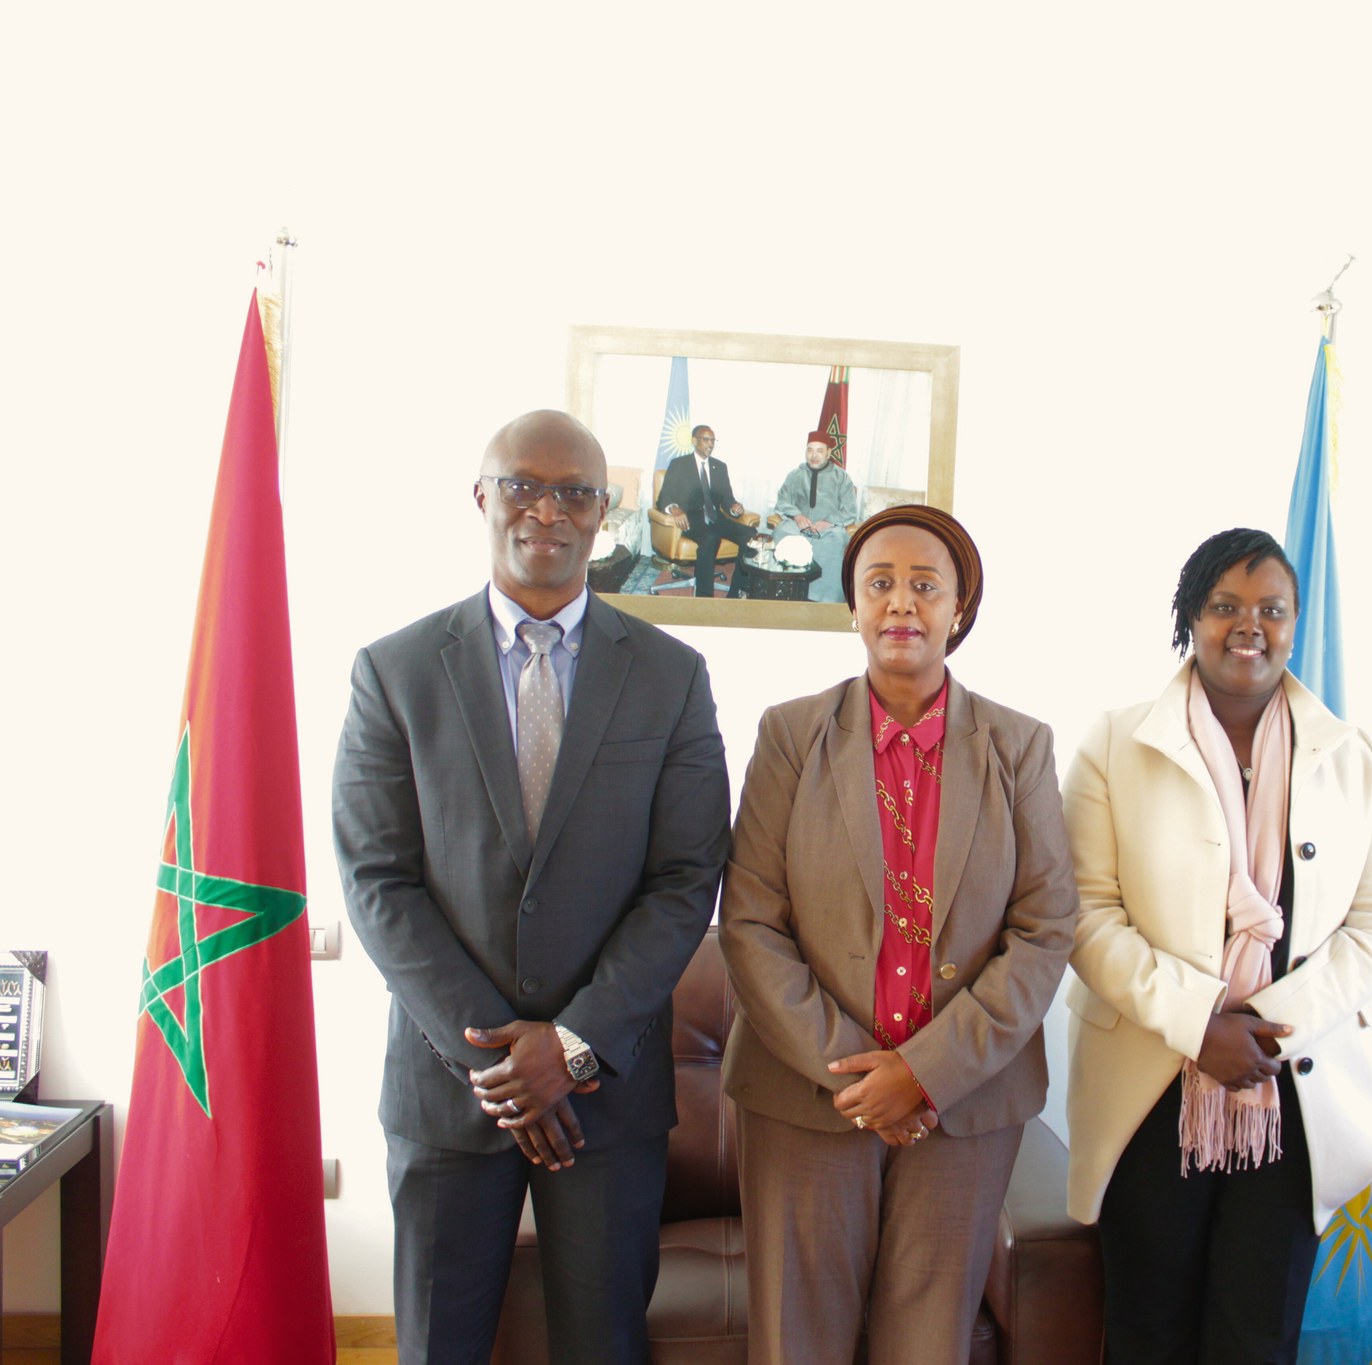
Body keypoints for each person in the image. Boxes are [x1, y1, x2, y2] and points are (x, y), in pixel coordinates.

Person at [334, 410, 730, 1365]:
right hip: (449, 1093)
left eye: (574, 493)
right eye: (523, 486)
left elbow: (685, 879)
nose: (546, 510)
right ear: (482, 496)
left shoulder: (672, 677)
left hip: (608, 1103)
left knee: (604, 1345)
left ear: (604, 513)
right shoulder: (394, 671)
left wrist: (573, 1045)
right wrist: (505, 1059)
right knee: (440, 1348)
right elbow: (377, 877)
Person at [718, 504, 1079, 1364]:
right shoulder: (790, 735)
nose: (901, 603)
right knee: (797, 1340)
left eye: (925, 585)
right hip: (806, 1098)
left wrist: (923, 1072)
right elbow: (751, 918)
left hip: (965, 1104)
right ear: (852, 605)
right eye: (879, 583)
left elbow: (1045, 927)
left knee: (928, 1342)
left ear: (960, 607)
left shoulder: (1019, 746)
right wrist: (859, 1076)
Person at [1062, 528, 1372, 1365]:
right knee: (1148, 1333)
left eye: (1271, 609)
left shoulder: (1349, 755)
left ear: (1294, 624)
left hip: (1289, 1088)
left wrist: (1270, 1025)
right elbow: (1083, 914)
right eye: (1225, 605)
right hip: (1150, 1087)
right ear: (1191, 617)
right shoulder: (1114, 743)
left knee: (1257, 1337)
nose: (1250, 625)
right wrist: (1199, 1023)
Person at [658, 424, 757, 597]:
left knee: (750, 535)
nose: (710, 444)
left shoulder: (720, 467)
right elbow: (664, 497)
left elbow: (727, 498)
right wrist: (674, 509)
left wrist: (734, 508)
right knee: (710, 538)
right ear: (694, 440)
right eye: (706, 440)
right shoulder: (679, 464)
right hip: (691, 519)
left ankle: (736, 592)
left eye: (713, 440)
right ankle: (704, 599)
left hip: (716, 518)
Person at [768, 430, 862, 602]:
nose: (814, 455)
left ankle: (824, 600)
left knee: (836, 542)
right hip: (798, 525)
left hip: (828, 528)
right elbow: (782, 501)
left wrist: (828, 522)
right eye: (810, 450)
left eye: (819, 451)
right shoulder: (795, 475)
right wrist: (797, 516)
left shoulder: (842, 477)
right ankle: (783, 590)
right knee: (781, 533)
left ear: (829, 453)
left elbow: (849, 511)